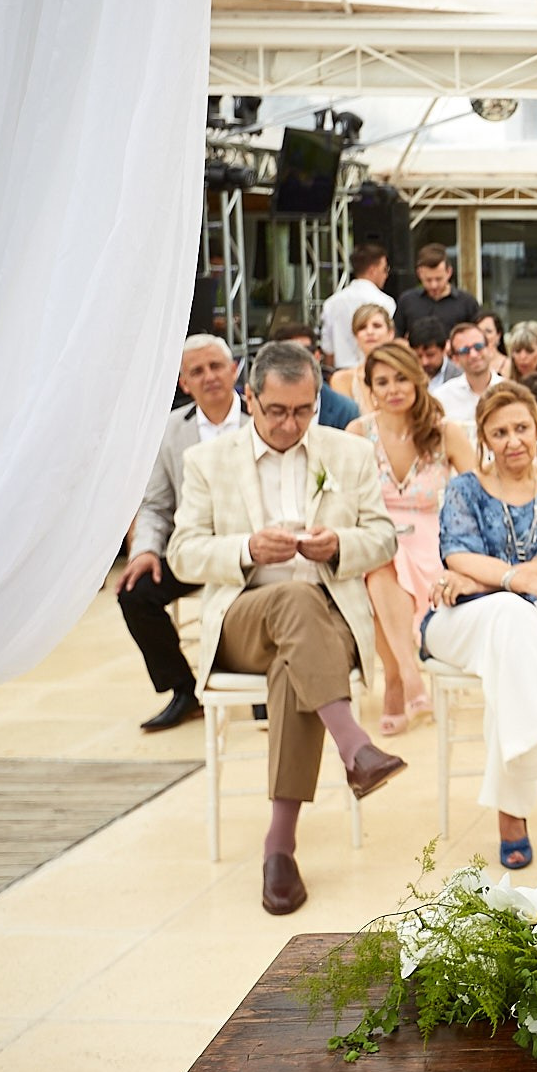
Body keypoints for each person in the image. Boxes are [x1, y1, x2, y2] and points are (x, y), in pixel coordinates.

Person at [166, 341, 405, 916]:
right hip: (244, 618)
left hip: (327, 620)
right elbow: (183, 554)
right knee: (291, 600)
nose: (291, 423)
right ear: (250, 399)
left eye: (304, 410)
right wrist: (246, 549)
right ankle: (355, 747)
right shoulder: (209, 461)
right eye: (277, 410)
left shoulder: (346, 454)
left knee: (293, 659)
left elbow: (384, 537)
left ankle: (280, 848)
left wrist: (339, 544)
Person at [423, 382, 537, 871]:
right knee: (516, 613)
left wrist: (482, 576)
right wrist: (512, 580)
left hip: (520, 618)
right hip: (458, 619)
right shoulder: (465, 488)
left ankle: (511, 815)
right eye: (499, 432)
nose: (512, 441)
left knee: (525, 623)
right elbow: (456, 553)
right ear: (483, 437)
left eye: (521, 428)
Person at [347, 342, 477, 734]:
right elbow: (342, 497)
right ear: (370, 388)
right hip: (377, 535)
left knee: (384, 560)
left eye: (401, 378)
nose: (393, 389)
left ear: (418, 381)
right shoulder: (358, 433)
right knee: (380, 557)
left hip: (433, 538)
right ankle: (405, 673)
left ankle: (397, 678)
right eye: (382, 381)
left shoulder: (444, 432)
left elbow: (475, 492)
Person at [119, 335, 247, 731]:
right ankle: (184, 690)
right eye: (197, 371)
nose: (209, 376)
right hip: (193, 550)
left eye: (215, 366)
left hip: (251, 549)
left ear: (234, 370)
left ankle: (261, 684)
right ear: (183, 383)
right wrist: (144, 550)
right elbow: (156, 505)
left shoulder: (260, 419)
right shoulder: (171, 430)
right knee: (134, 592)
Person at [267, 324, 361, 430]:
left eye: (304, 352)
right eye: (288, 355)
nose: (296, 361)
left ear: (316, 356)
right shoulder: (264, 405)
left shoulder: (345, 410)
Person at [319, 243, 396, 370]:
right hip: (375, 369)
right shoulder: (385, 302)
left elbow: (328, 349)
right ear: (373, 270)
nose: (386, 275)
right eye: (385, 269)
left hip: (341, 370)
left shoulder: (332, 303)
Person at [393, 243, 483, 342]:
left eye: (439, 279)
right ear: (419, 274)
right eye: (428, 280)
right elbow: (395, 335)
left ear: (449, 272)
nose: (433, 285)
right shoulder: (407, 301)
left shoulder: (467, 302)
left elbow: (479, 338)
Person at [430, 321, 503, 431]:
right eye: (465, 350)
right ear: (455, 359)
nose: (473, 355)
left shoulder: (510, 391)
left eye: (478, 347)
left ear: (490, 349)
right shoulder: (441, 398)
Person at [328, 303, 394, 407]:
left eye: (377, 326)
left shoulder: (407, 374)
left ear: (390, 333)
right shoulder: (342, 379)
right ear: (356, 336)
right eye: (362, 327)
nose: (370, 332)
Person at [410, 318, 458, 389]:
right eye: (419, 356)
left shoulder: (458, 377)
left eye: (430, 355)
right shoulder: (408, 377)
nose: (424, 362)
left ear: (444, 349)